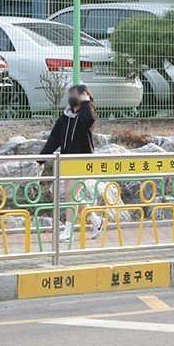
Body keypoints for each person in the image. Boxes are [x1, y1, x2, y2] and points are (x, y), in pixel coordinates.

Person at [39, 84, 104, 241]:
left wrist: (86, 102)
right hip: (67, 160)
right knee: (72, 196)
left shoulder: (87, 114)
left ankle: (68, 230)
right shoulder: (64, 118)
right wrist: (40, 159)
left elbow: (89, 119)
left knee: (70, 194)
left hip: (82, 160)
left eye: (78, 94)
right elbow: (53, 140)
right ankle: (96, 220)